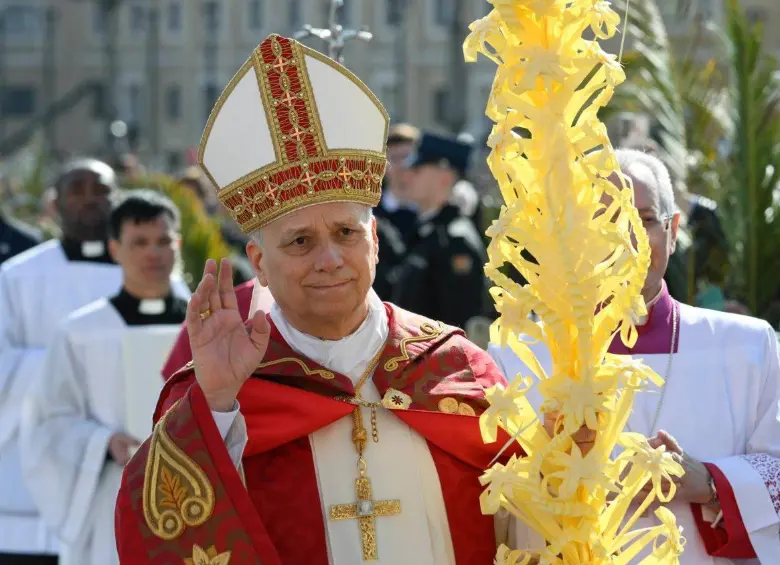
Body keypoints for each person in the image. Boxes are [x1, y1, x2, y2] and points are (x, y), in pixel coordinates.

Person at [114, 33, 522, 565]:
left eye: (346, 234)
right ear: (258, 263)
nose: (329, 258)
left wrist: (569, 463)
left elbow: (523, 522)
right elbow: (157, 530)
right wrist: (213, 409)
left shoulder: (456, 367)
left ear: (374, 239)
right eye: (300, 241)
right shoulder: (224, 391)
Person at [488, 149, 780, 563]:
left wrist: (711, 482)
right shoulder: (515, 356)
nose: (623, 239)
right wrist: (549, 465)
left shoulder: (747, 347)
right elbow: (480, 502)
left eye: (643, 220)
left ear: (672, 230)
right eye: (600, 221)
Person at [18, 190, 190, 565]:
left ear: (177, 245)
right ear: (114, 249)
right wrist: (102, 442)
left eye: (163, 241)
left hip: (198, 495)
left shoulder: (204, 326)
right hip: (115, 495)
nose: (153, 254)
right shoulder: (81, 331)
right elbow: (48, 421)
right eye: (139, 242)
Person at [0, 158, 125, 563]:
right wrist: (69, 371)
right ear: (54, 203)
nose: (90, 199)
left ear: (116, 200)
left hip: (118, 455)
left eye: (101, 189)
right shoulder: (17, 276)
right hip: (29, 456)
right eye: (77, 189)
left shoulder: (147, 274)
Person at [389, 132, 493, 331]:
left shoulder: (455, 240)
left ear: (444, 178)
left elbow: (458, 324)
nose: (407, 174)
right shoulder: (427, 232)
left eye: (417, 169)